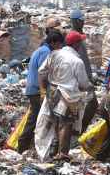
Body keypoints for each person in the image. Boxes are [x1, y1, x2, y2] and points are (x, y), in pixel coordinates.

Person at [38, 30, 92, 160]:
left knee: (57, 121)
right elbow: (83, 83)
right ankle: (62, 153)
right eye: (80, 43)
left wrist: (44, 89)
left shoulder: (54, 54)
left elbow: (41, 71)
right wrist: (88, 87)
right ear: (76, 44)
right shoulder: (77, 61)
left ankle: (55, 150)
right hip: (67, 96)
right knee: (66, 123)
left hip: (52, 92)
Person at [18, 22, 57, 153]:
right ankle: (23, 145)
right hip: (36, 90)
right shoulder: (46, 52)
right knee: (36, 118)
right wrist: (44, 92)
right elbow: (43, 73)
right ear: (53, 42)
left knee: (35, 117)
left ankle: (27, 145)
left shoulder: (40, 49)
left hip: (33, 89)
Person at [68, 8, 98, 131]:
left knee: (85, 105)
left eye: (83, 21)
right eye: (80, 21)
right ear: (74, 21)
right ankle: (78, 130)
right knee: (90, 104)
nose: (83, 23)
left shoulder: (80, 37)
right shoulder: (73, 38)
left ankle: (79, 129)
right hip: (79, 79)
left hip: (84, 77)